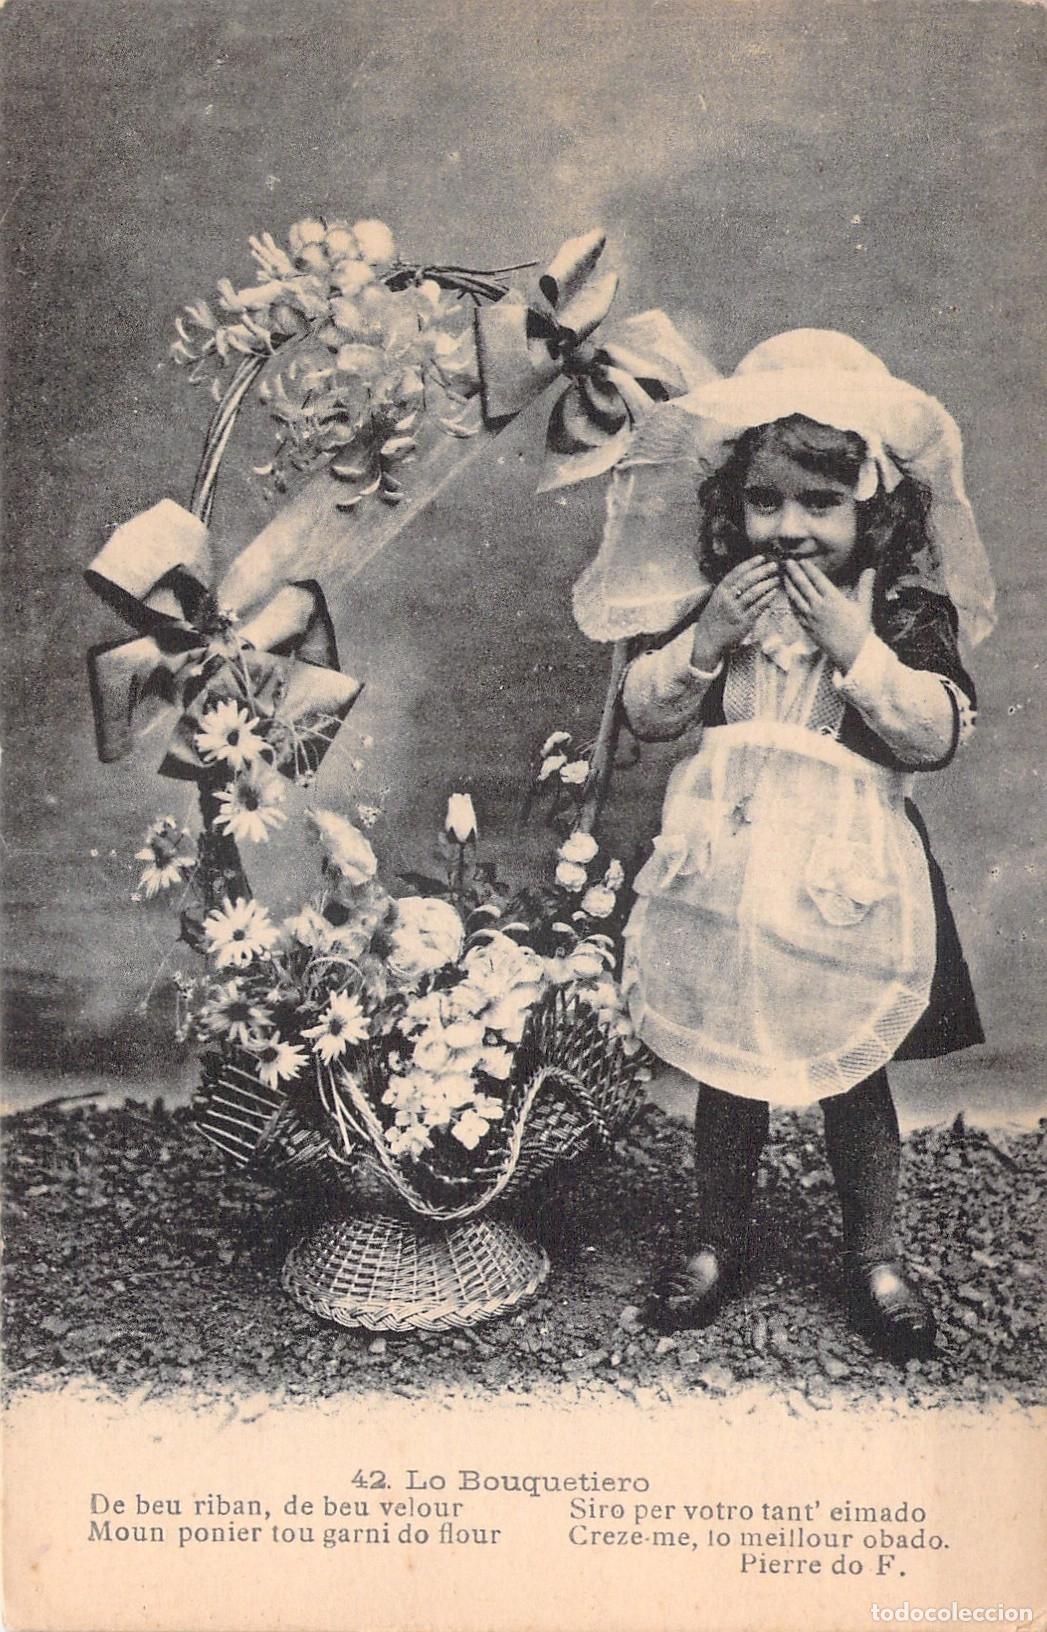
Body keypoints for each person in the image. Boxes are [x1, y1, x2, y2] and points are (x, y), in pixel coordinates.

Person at [572, 330, 996, 1359]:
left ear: (871, 508)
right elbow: (646, 714)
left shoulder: (897, 608)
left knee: (854, 1068)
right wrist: (706, 639)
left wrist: (855, 647)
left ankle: (876, 1255)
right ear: (735, 507)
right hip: (730, 869)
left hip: (843, 875)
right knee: (731, 1065)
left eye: (821, 504)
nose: (791, 530)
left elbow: (934, 735)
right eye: (766, 503)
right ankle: (717, 1240)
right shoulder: (722, 599)